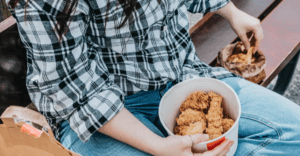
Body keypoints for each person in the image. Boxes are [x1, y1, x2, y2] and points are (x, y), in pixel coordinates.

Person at [6, 0, 300, 155]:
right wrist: (158, 147)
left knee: (294, 134)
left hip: (182, 78)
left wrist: (230, 11)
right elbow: (73, 87)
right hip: (100, 117)